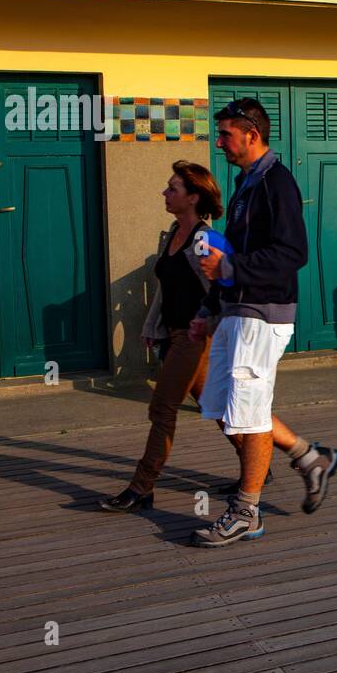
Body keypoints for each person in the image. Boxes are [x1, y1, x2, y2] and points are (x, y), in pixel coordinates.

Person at [187, 97, 337, 547]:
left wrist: (229, 272)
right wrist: (208, 309)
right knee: (224, 407)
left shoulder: (277, 183)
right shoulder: (245, 184)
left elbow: (294, 254)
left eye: (227, 135)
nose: (220, 143)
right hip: (235, 312)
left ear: (252, 134)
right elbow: (227, 257)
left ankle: (246, 512)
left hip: (264, 314)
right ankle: (309, 458)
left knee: (248, 413)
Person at [99, 161, 269, 512]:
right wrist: (151, 327)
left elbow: (229, 290)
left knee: (162, 407)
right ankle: (257, 464)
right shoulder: (171, 234)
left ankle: (142, 487)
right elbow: (166, 289)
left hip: (197, 338)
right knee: (218, 407)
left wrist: (213, 328)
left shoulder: (206, 241)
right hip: (175, 333)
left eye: (172, 189)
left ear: (193, 197)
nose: (164, 193)